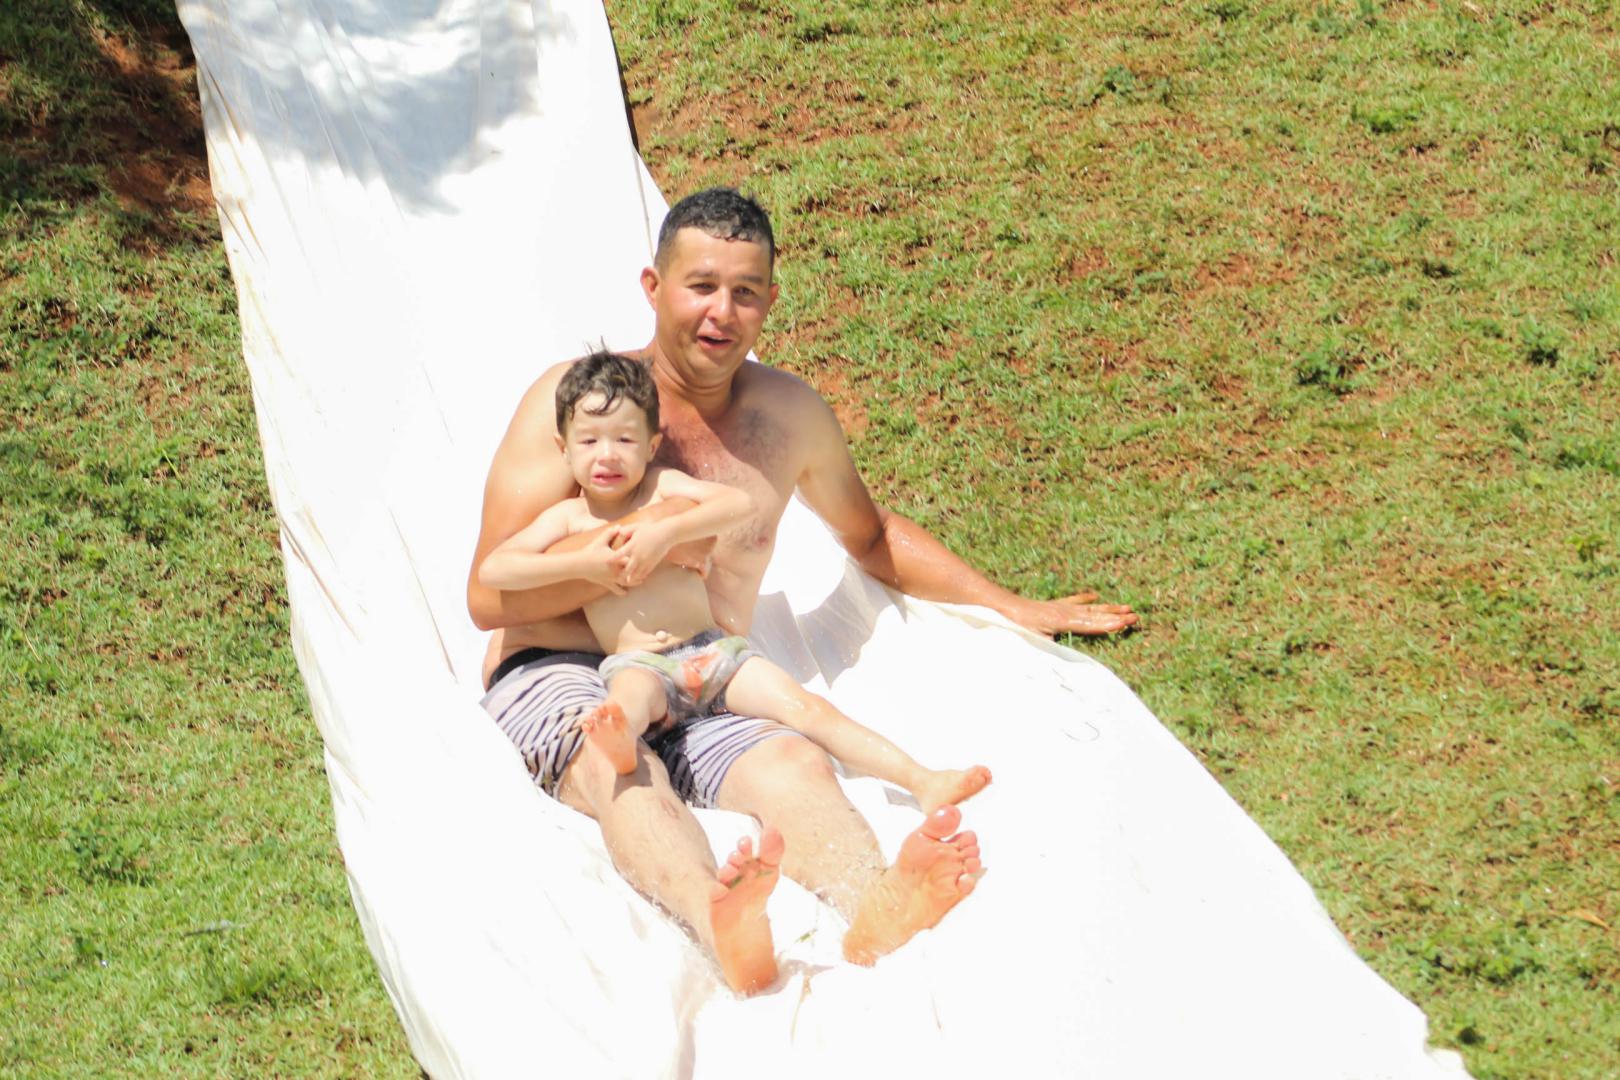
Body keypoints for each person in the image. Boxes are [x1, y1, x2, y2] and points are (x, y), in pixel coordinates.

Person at [468, 187, 1136, 994]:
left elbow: (871, 537)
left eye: (745, 292)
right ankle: (717, 919)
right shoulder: (585, 407)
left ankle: (873, 902)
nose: (722, 313)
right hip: (563, 669)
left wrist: (1013, 606)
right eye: (701, 286)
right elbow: (487, 596)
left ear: (770, 302)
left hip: (706, 670)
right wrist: (604, 565)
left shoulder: (788, 415)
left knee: (795, 759)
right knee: (619, 763)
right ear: (654, 287)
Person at [478, 350, 994, 815]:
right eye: (589, 441)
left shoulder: (662, 487)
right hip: (640, 664)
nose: (607, 455)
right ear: (563, 449)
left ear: (652, 445)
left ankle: (922, 780)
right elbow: (496, 568)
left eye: (625, 440)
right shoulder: (569, 519)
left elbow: (737, 503)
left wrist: (667, 530)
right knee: (626, 705)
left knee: (806, 710)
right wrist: (581, 565)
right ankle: (619, 744)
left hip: (713, 653)